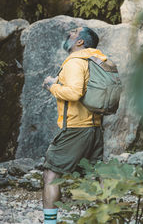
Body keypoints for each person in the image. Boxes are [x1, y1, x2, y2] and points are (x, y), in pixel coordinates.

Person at [42, 26, 106, 224]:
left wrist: (52, 85)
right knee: (97, 175)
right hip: (95, 128)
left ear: (80, 42)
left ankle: (50, 222)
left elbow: (75, 93)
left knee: (51, 173)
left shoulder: (75, 62)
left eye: (74, 32)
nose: (69, 33)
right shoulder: (98, 60)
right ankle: (108, 218)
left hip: (76, 128)